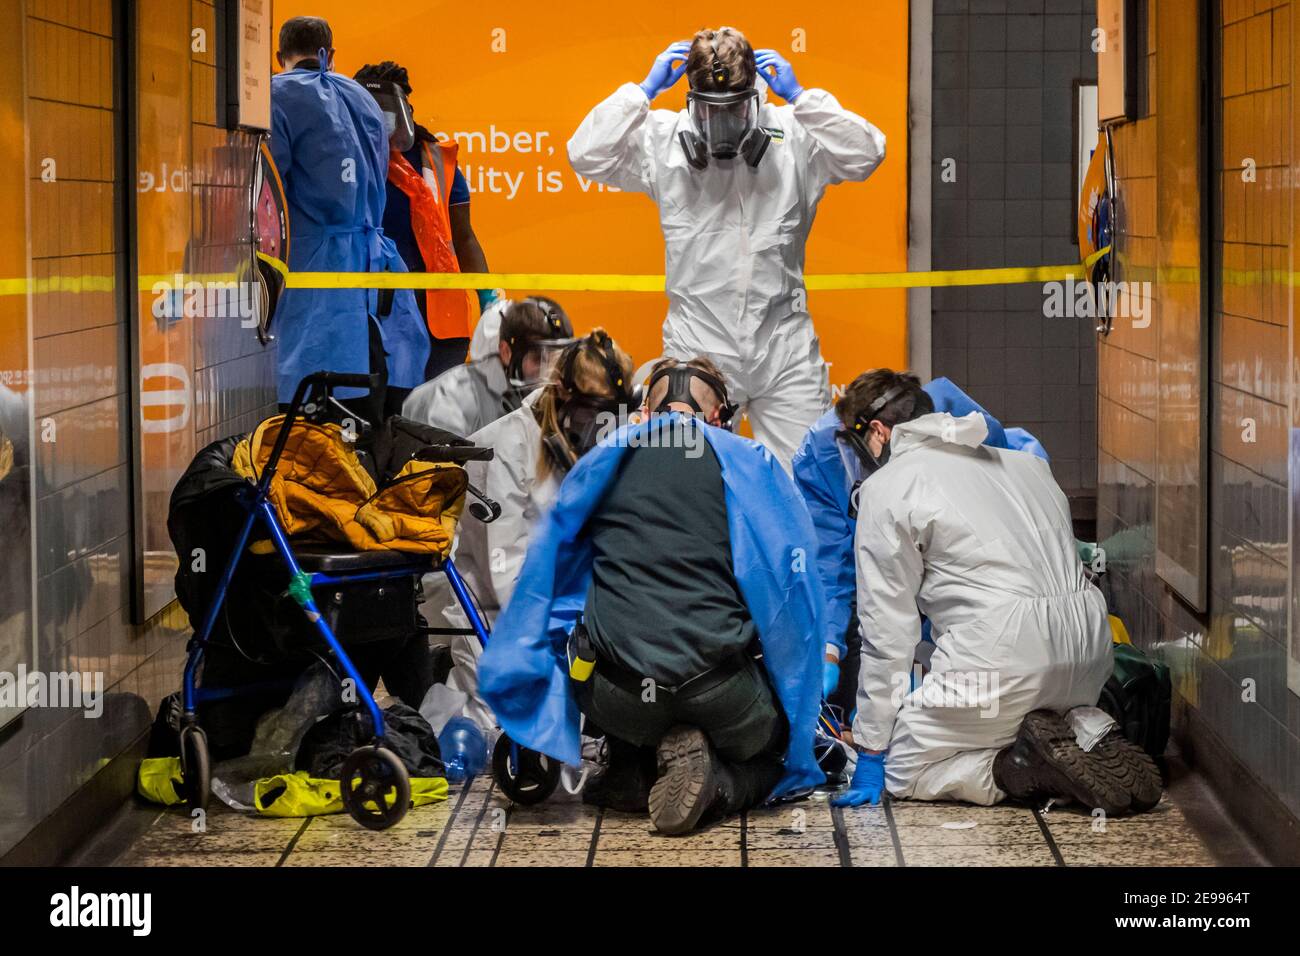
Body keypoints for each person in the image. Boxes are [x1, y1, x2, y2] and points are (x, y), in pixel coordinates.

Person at [478, 356, 826, 835]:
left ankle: (631, 772)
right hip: (720, 694)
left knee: (603, 640)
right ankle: (722, 781)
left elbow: (551, 585)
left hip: (617, 699)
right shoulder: (752, 464)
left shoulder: (599, 462)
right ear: (721, 417)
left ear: (642, 412)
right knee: (777, 743)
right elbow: (796, 599)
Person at [829, 371, 1162, 814]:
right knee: (1006, 706)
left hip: (1004, 660)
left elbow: (888, 633)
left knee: (904, 764)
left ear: (877, 432)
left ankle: (1019, 765)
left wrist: (872, 746)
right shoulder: (1025, 466)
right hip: (1088, 653)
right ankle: (1086, 727)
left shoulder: (888, 487)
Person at [568, 26, 886, 471]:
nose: (722, 124)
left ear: (754, 97)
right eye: (709, 110)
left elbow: (867, 153)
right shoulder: (664, 141)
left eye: (735, 109)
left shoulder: (794, 138)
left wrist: (803, 98)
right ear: (691, 102)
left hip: (785, 349)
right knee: (690, 479)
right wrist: (641, 92)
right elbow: (586, 154)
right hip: (696, 347)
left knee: (809, 477)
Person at [793, 375, 1051, 720]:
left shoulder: (964, 427)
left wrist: (877, 724)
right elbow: (831, 564)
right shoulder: (824, 455)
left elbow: (951, 578)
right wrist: (828, 650)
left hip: (988, 604)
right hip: (1049, 630)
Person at [435, 329, 637, 730]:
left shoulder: (589, 437)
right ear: (562, 393)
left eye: (613, 412)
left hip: (554, 595)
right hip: (487, 603)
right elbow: (504, 571)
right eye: (592, 410)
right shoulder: (505, 448)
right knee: (497, 722)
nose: (603, 424)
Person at [269, 17, 427, 422]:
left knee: (309, 398)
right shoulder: (361, 98)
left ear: (278, 56)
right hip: (371, 267)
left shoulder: (278, 95)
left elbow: (271, 186)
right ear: (331, 55)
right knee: (367, 394)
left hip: (313, 264)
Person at [353, 61, 496, 380]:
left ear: (406, 110)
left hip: (438, 317)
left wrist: (489, 297)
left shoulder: (436, 159)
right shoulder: (348, 159)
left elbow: (464, 237)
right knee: (385, 415)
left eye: (386, 112)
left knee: (435, 420)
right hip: (373, 315)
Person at [400, 296, 574, 437]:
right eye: (538, 359)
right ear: (506, 352)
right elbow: (444, 475)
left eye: (557, 359)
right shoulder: (451, 400)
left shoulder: (544, 396)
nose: (551, 370)